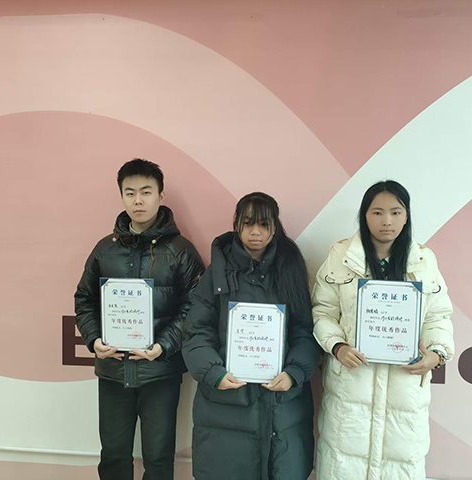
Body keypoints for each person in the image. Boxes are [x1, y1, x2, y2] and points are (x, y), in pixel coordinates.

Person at [312, 180, 454, 480]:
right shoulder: (341, 256)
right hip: (351, 386)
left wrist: (437, 354)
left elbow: (438, 316)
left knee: (398, 466)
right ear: (364, 215)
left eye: (395, 212)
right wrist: (337, 346)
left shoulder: (423, 261)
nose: (386, 220)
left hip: (404, 391)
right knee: (343, 465)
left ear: (406, 216)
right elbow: (323, 311)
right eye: (377, 212)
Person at [74, 158, 204, 480]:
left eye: (146, 192)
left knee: (158, 459)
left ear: (161, 196)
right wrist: (94, 340)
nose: (138, 201)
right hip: (113, 370)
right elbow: (84, 299)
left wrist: (163, 345)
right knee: (113, 456)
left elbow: (196, 307)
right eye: (130, 193)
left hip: (160, 372)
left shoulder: (181, 251)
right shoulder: (104, 250)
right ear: (121, 196)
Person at [182, 192, 320, 480]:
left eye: (264, 224)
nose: (255, 232)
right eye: (248, 223)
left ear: (275, 227)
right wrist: (213, 372)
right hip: (227, 401)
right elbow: (196, 331)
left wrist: (295, 372)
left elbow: (304, 331)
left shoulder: (290, 269)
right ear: (237, 225)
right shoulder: (216, 273)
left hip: (281, 403)